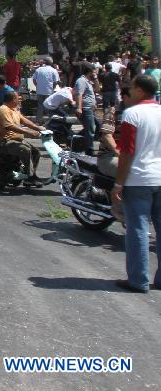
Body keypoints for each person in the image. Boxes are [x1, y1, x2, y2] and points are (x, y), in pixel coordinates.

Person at [112, 74, 161, 293]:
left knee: (138, 230)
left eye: (131, 88)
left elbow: (127, 152)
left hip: (139, 179)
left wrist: (119, 183)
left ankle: (138, 280)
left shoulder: (132, 114)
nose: (129, 91)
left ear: (140, 90)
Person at [0, 91, 43, 185]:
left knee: (36, 152)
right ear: (13, 99)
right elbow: (9, 126)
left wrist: (38, 128)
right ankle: (30, 177)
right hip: (4, 142)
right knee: (26, 150)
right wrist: (29, 132)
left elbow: (25, 121)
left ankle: (28, 173)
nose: (20, 99)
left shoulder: (14, 110)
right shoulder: (3, 110)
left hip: (16, 141)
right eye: (18, 97)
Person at [74, 65, 100, 156]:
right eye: (95, 72)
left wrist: (96, 79)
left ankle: (76, 140)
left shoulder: (88, 82)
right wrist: (79, 108)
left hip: (90, 108)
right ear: (90, 72)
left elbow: (97, 89)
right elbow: (79, 94)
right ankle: (89, 150)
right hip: (85, 109)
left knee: (96, 127)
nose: (96, 74)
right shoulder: (81, 81)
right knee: (90, 129)